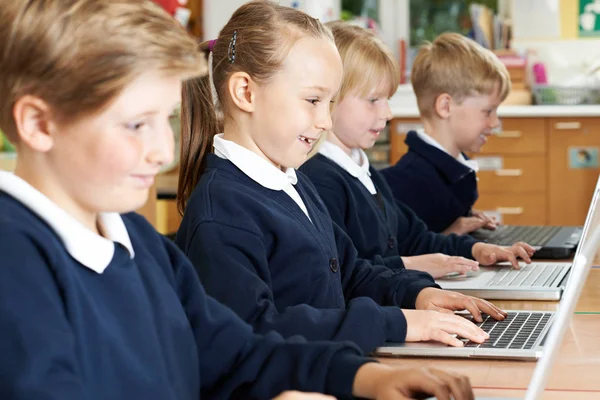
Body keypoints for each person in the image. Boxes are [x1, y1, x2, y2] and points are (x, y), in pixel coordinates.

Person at [0, 1, 474, 399]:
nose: (163, 150)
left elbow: (235, 351)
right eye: (135, 124)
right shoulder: (15, 266)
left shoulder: (137, 240)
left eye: (163, 120)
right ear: (39, 125)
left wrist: (361, 376)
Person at [176, 0, 506, 358]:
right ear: (245, 93)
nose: (326, 122)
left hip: (339, 364)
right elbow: (256, 333)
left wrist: (417, 294)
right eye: (313, 100)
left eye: (330, 103)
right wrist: (397, 323)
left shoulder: (293, 183)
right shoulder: (222, 213)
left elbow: (350, 273)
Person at [299, 22, 534, 279]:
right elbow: (345, 274)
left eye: (387, 100)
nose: (387, 113)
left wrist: (477, 249)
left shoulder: (367, 175)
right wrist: (411, 265)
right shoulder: (319, 181)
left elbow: (416, 238)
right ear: (329, 98)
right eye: (373, 101)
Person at [381, 32, 512, 235]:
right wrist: (448, 236)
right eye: (488, 111)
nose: (495, 122)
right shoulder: (406, 184)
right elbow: (395, 255)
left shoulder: (454, 169)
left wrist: (467, 221)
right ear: (445, 106)